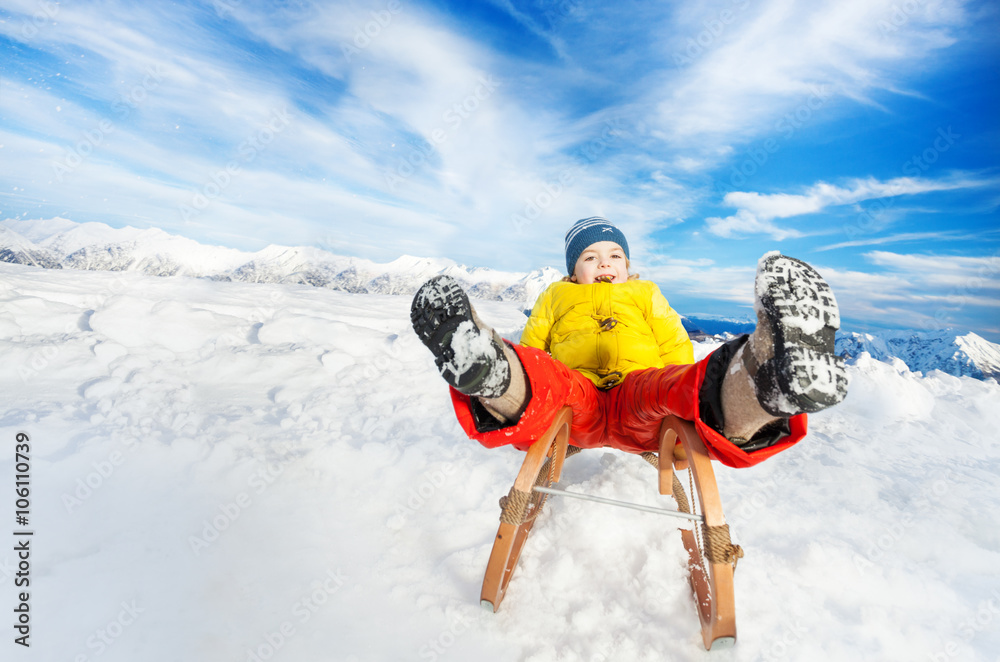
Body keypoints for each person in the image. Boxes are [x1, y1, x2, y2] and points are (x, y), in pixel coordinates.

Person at [409, 217, 848, 468]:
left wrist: (677, 381)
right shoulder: (556, 295)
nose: (605, 264)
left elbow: (675, 344)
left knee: (681, 387)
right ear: (572, 269)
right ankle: (487, 366)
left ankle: (769, 377)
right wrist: (530, 365)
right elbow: (536, 347)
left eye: (615, 256)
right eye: (591, 257)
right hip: (573, 403)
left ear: (628, 265)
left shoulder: (645, 293)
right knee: (543, 378)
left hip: (641, 401)